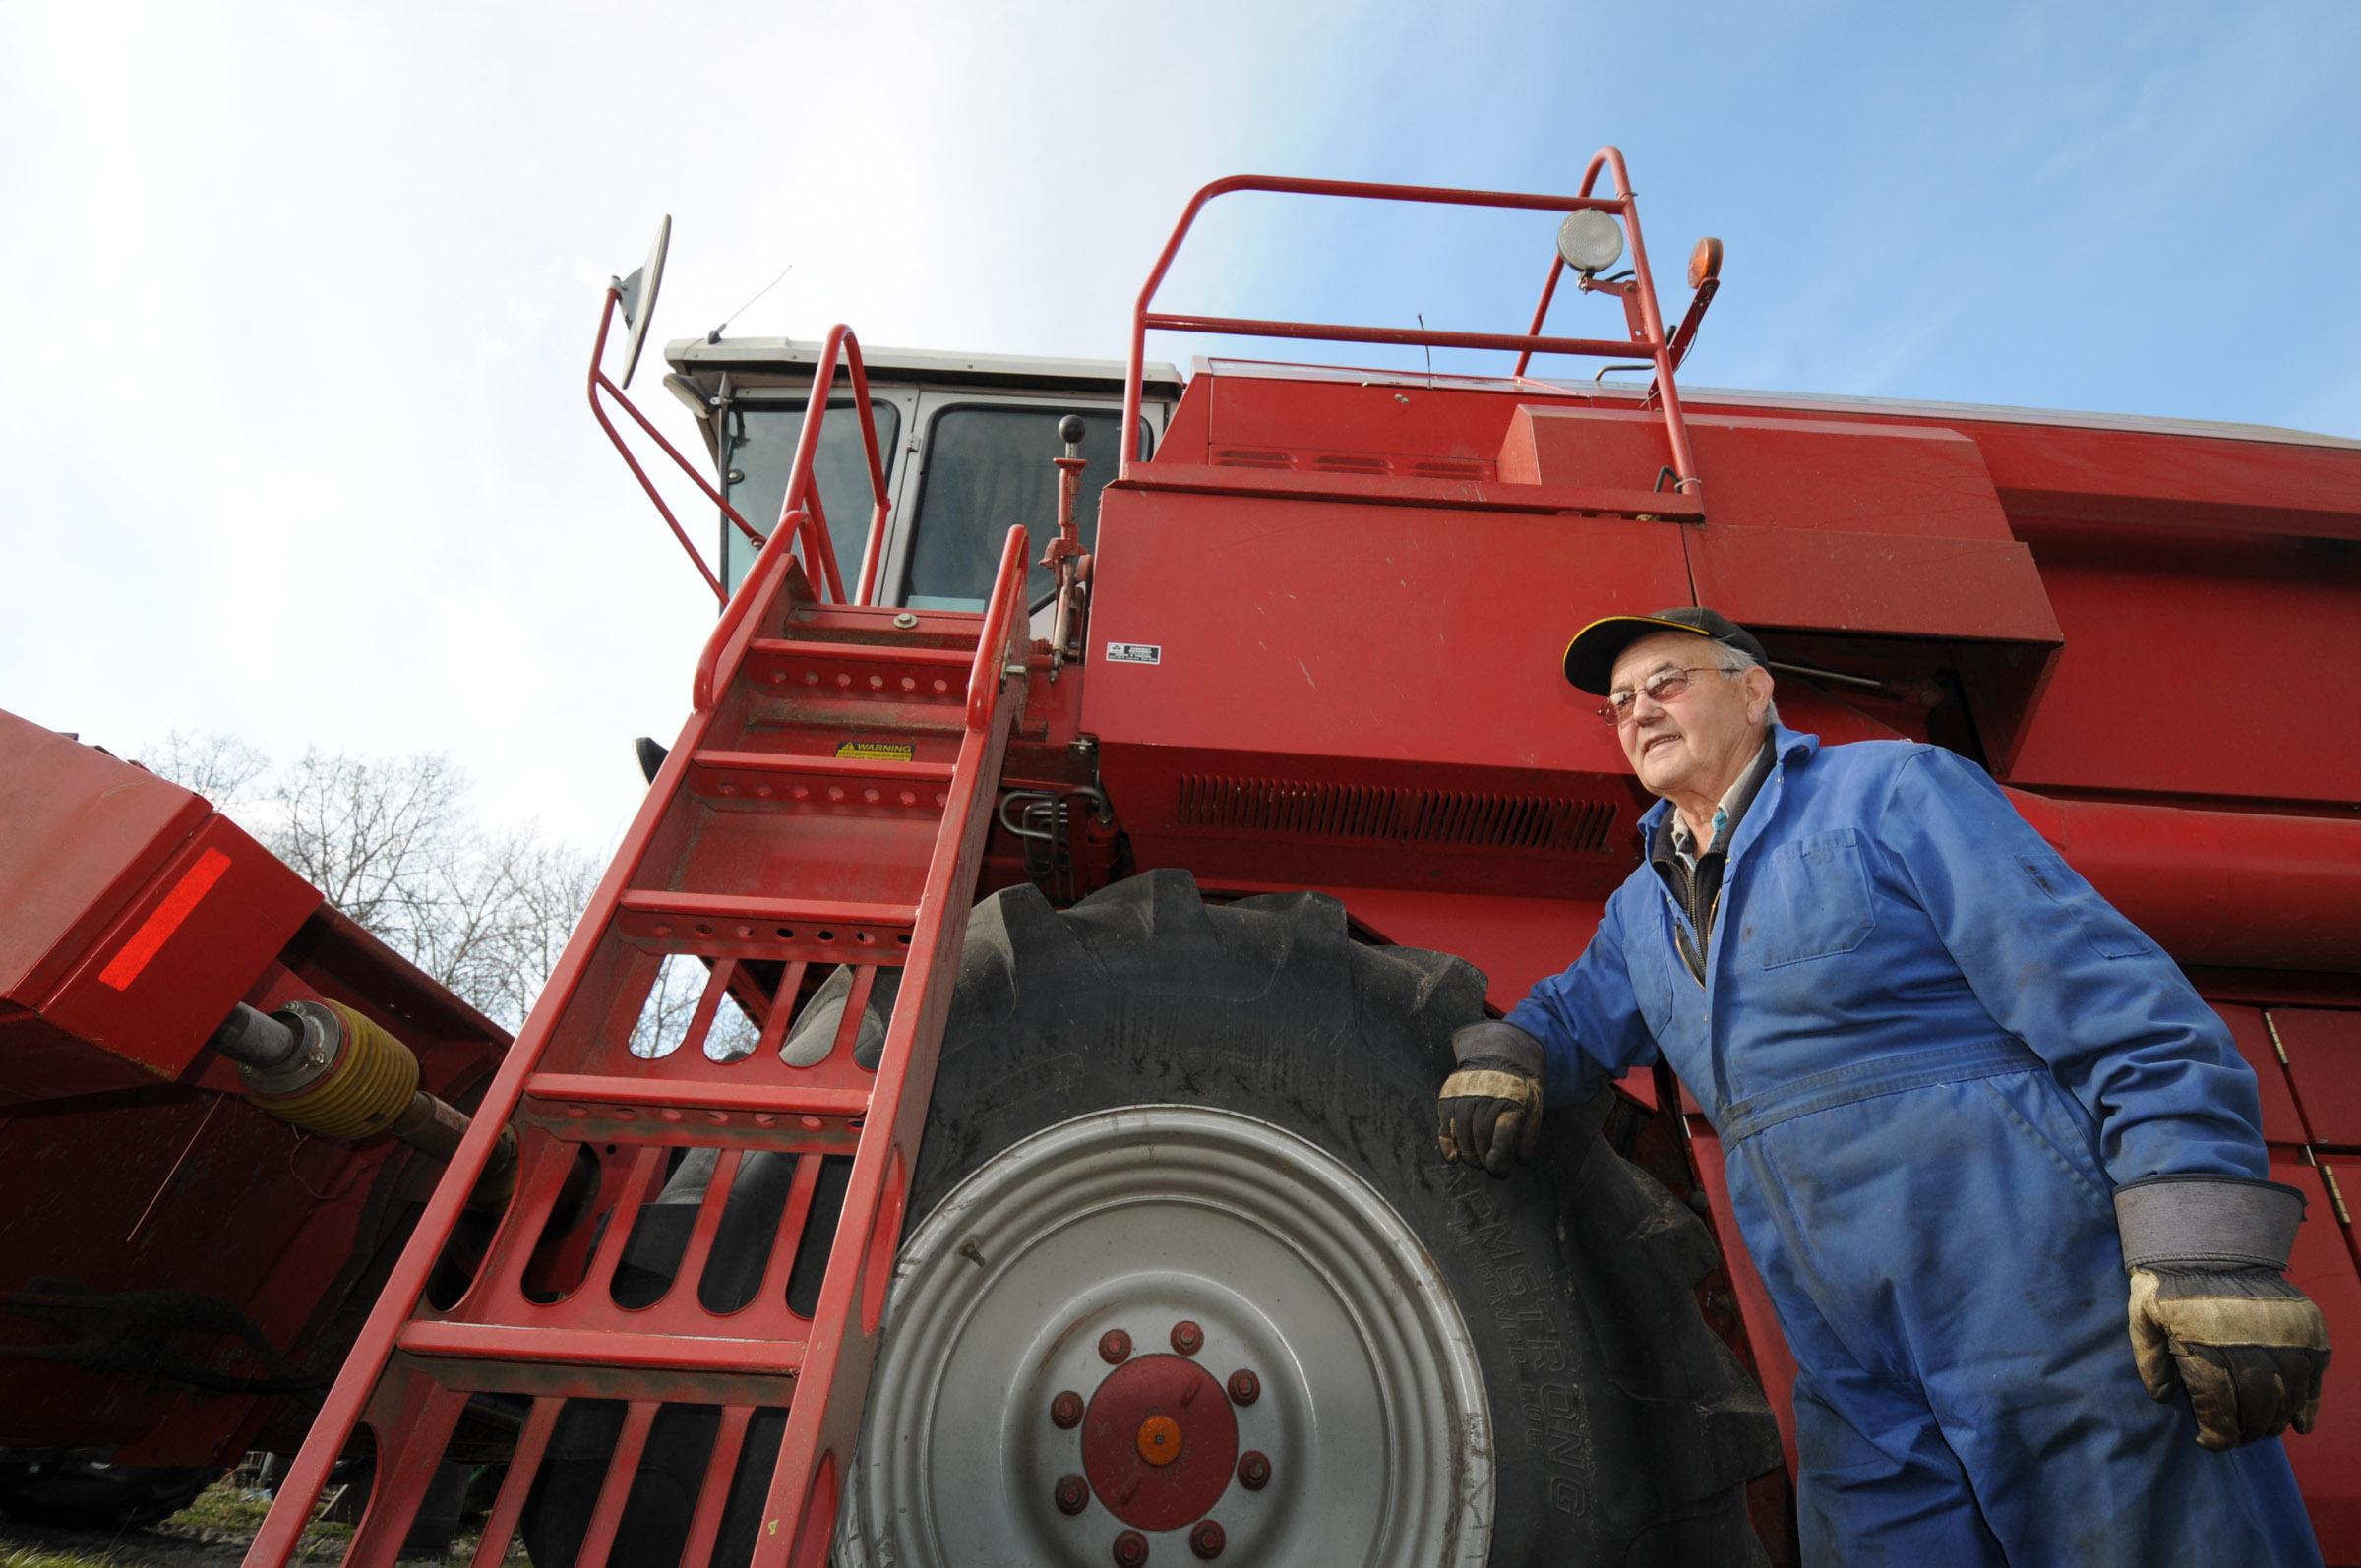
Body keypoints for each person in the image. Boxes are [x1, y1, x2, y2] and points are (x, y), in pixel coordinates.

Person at [1436, 606, 2331, 1565]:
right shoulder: (1644, 908)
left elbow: (2110, 997)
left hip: (2037, 1291)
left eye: (1667, 682)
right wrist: (1507, 1055)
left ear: (1754, 688)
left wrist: (2203, 1245)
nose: (1640, 712)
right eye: (1619, 704)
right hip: (1846, 1357)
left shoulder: (1892, 790)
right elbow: (1568, 1020)